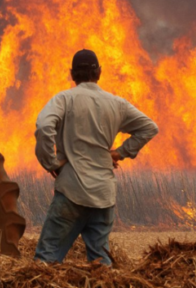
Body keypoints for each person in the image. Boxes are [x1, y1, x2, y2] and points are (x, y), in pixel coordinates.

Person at [34, 49, 159, 265]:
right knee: (101, 267)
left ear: (72, 74)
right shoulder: (117, 104)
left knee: (46, 261)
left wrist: (50, 163)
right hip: (103, 196)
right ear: (99, 72)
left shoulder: (64, 99)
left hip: (71, 192)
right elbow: (149, 127)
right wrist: (119, 153)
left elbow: (44, 126)